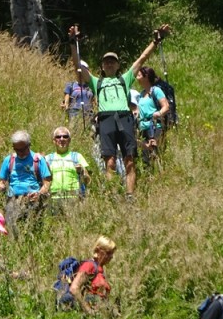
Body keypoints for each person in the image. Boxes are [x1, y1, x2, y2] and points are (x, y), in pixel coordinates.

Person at [68, 23, 171, 201]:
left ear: (117, 65)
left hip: (124, 117)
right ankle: (112, 194)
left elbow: (142, 58)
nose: (109, 63)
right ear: (102, 66)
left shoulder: (125, 78)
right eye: (106, 61)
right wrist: (71, 41)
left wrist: (156, 41)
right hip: (106, 119)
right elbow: (77, 63)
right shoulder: (96, 81)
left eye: (112, 61)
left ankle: (130, 195)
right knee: (110, 161)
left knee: (129, 158)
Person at [0, 130, 51, 238]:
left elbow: (47, 183)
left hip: (33, 201)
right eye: (17, 150)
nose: (20, 153)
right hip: (13, 201)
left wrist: (38, 194)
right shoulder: (9, 160)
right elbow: (2, 184)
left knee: (33, 231)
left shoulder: (38, 159)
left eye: (23, 149)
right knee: (12, 231)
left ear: (29, 145)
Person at [68, 235, 117, 314]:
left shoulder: (100, 269)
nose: (111, 257)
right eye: (108, 253)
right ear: (98, 250)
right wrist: (88, 310)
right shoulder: (89, 266)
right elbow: (74, 288)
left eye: (112, 253)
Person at [135, 66, 170, 167]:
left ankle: (160, 173)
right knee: (145, 157)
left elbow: (166, 106)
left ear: (146, 76)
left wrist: (158, 113)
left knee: (156, 153)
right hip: (143, 128)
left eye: (139, 74)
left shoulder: (156, 91)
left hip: (155, 127)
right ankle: (149, 177)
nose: (137, 76)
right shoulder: (141, 94)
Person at [45, 126, 91, 201]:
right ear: (54, 140)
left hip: (74, 199)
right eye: (58, 137)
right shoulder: (47, 159)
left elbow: (88, 181)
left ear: (69, 140)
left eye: (65, 137)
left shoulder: (77, 157)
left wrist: (82, 171)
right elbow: (43, 182)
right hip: (54, 199)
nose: (62, 139)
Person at [62, 60, 95, 129]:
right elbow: (66, 101)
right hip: (74, 113)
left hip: (89, 114)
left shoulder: (91, 86)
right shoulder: (71, 85)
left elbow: (94, 102)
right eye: (78, 70)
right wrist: (65, 107)